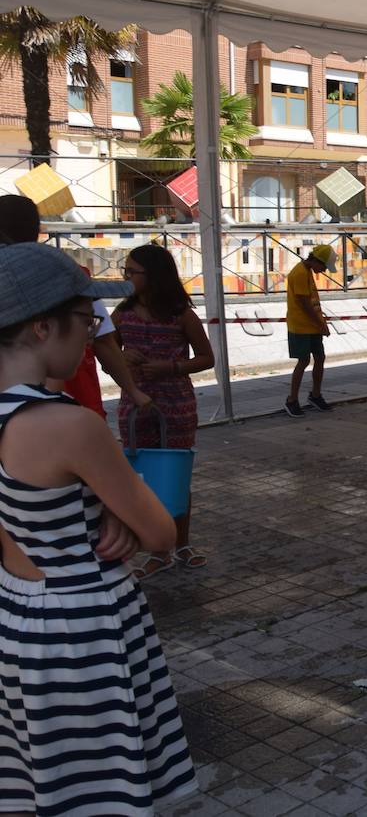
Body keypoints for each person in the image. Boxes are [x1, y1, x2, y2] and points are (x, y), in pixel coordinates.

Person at [0, 242, 198, 813]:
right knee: (103, 785)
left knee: (44, 778)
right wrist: (118, 501)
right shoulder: (70, 426)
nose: (91, 334)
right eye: (85, 321)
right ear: (42, 328)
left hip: (18, 613)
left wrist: (101, 496)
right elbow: (161, 532)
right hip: (83, 625)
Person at [114, 244, 216, 576]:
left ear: (153, 275)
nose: (127, 277)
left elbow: (206, 358)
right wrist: (123, 360)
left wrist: (169, 367)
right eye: (125, 271)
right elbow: (105, 358)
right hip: (134, 406)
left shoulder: (181, 313)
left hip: (176, 404)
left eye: (132, 272)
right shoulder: (121, 314)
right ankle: (158, 550)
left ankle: (182, 543)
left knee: (175, 476)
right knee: (143, 478)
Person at [0, 194, 152, 416]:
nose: (89, 332)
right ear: (37, 229)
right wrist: (134, 391)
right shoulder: (68, 277)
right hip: (71, 400)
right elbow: (104, 343)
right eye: (87, 321)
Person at [285, 244, 335, 418]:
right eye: (323, 267)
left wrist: (319, 323)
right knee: (303, 361)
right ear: (316, 261)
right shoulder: (299, 273)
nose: (324, 271)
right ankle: (292, 400)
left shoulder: (306, 271)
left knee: (320, 358)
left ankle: (315, 395)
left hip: (312, 325)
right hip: (300, 326)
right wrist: (321, 324)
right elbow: (305, 305)